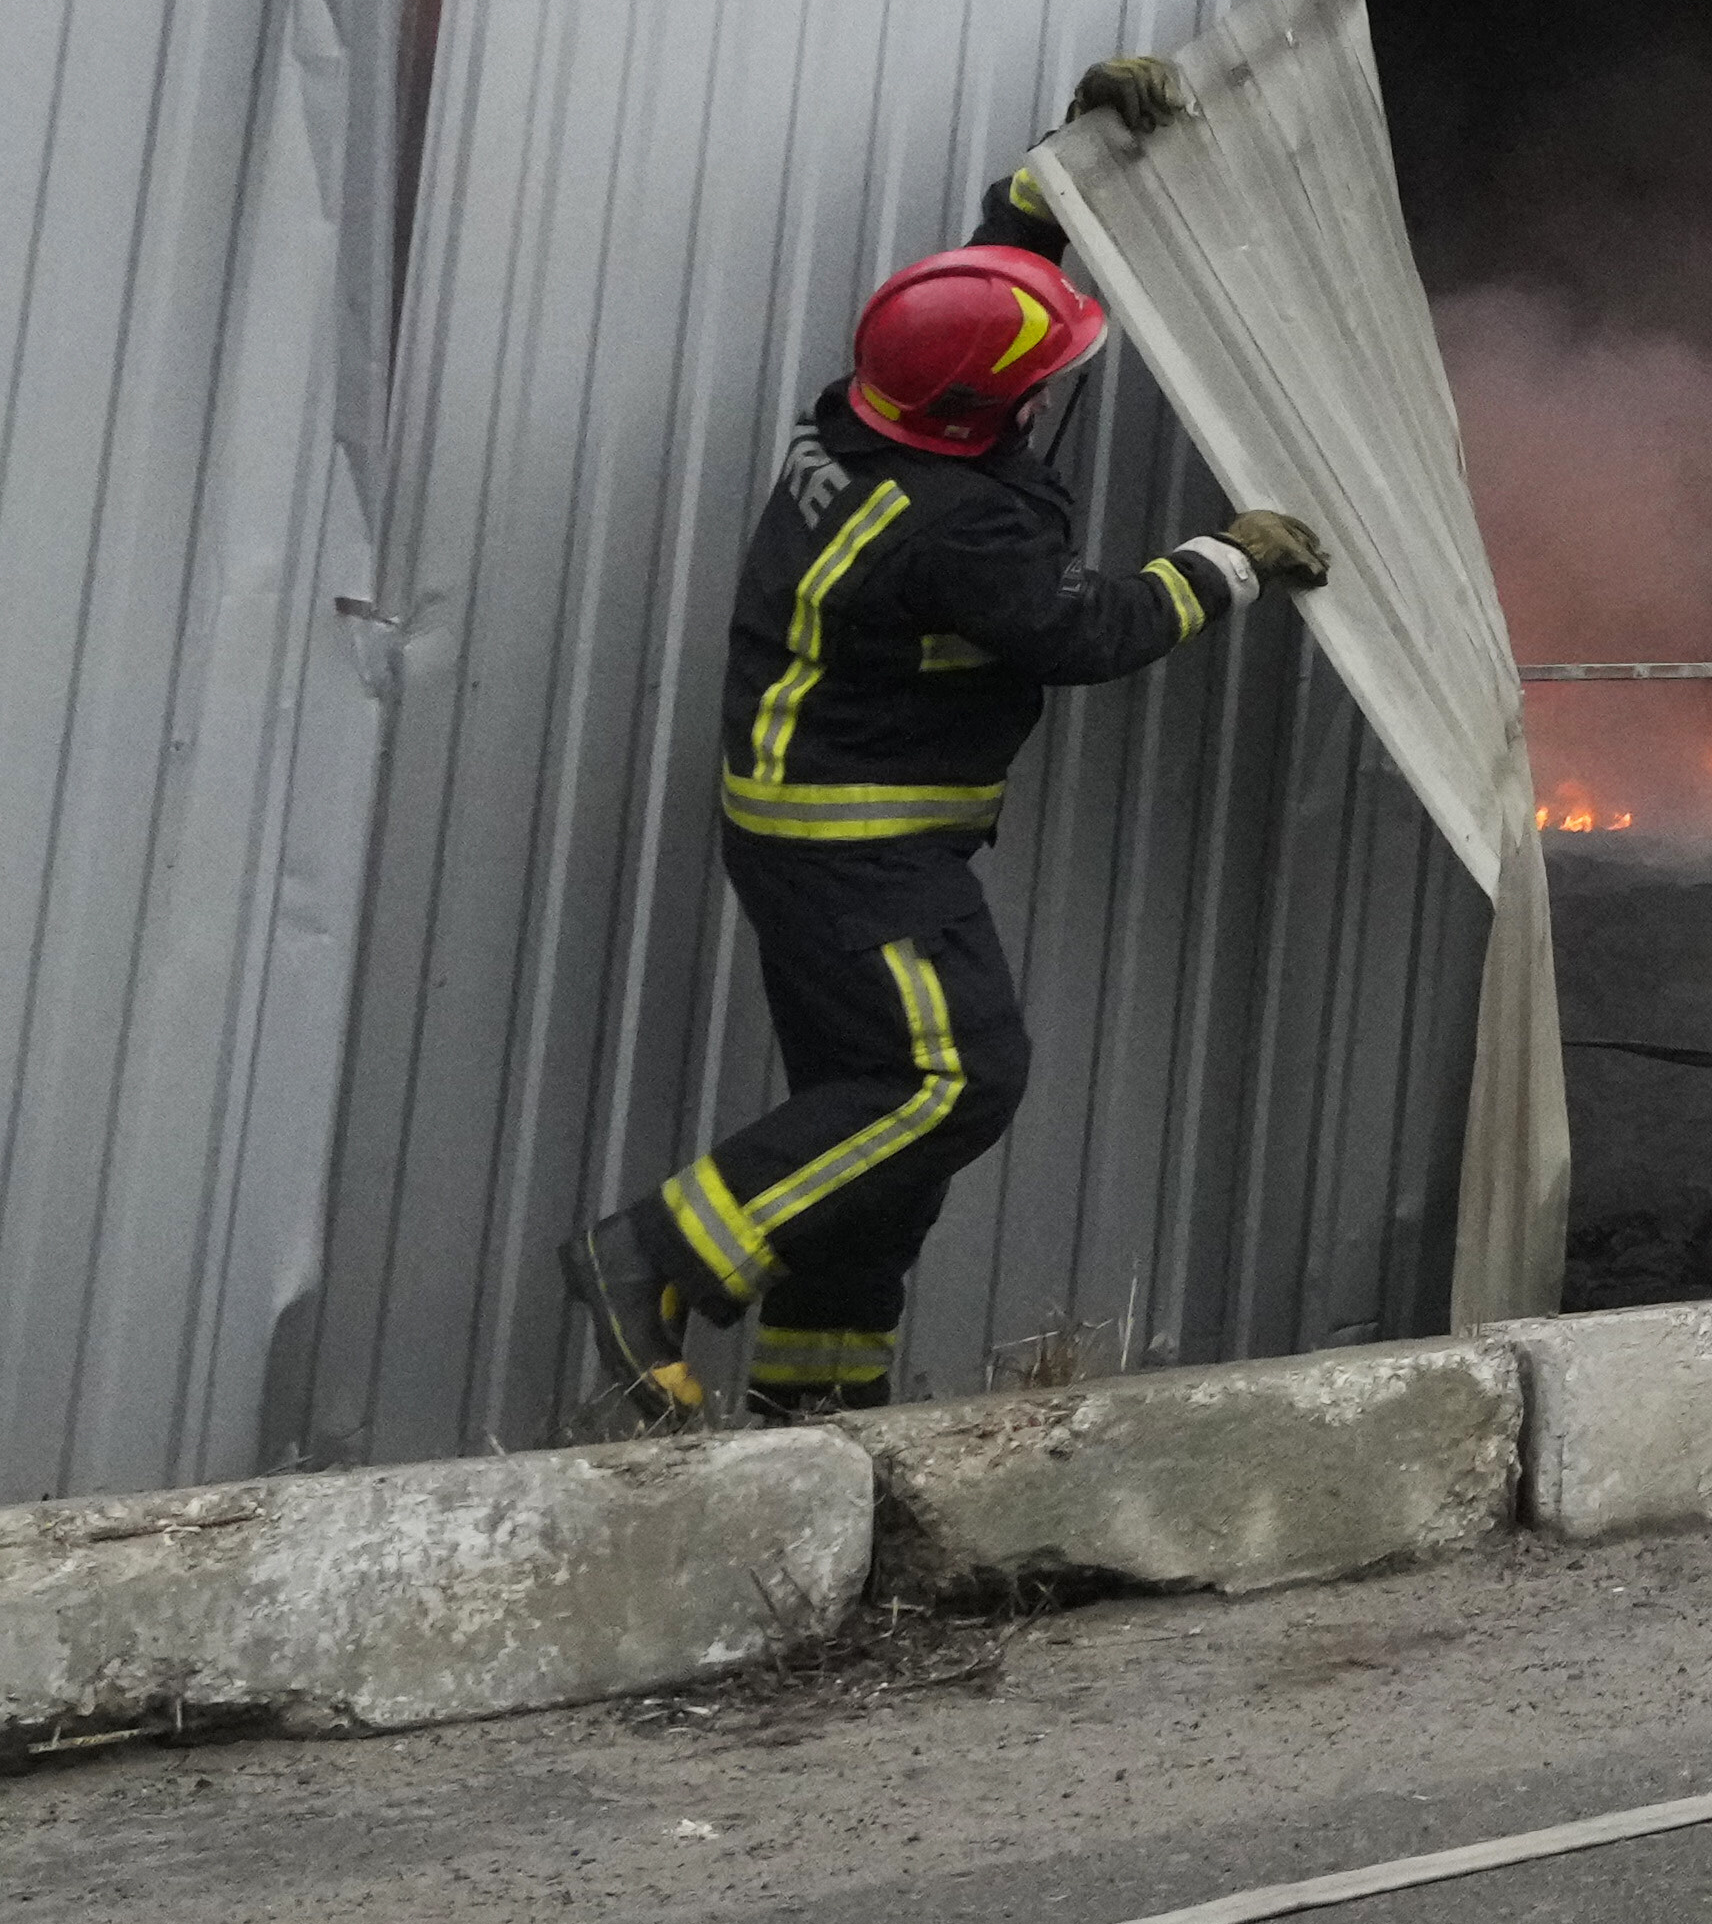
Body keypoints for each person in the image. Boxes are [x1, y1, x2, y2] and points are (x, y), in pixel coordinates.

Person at [560, 197, 1325, 1427]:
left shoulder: (867, 415)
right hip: (857, 848)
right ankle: (651, 1256)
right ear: (981, 419)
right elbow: (1089, 626)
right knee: (954, 1079)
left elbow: (966, 341)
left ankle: (817, 1413)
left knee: (869, 1141)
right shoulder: (955, 528)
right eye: (1035, 387)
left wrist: (1030, 212)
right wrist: (1229, 560)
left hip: (807, 828)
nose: (1044, 397)